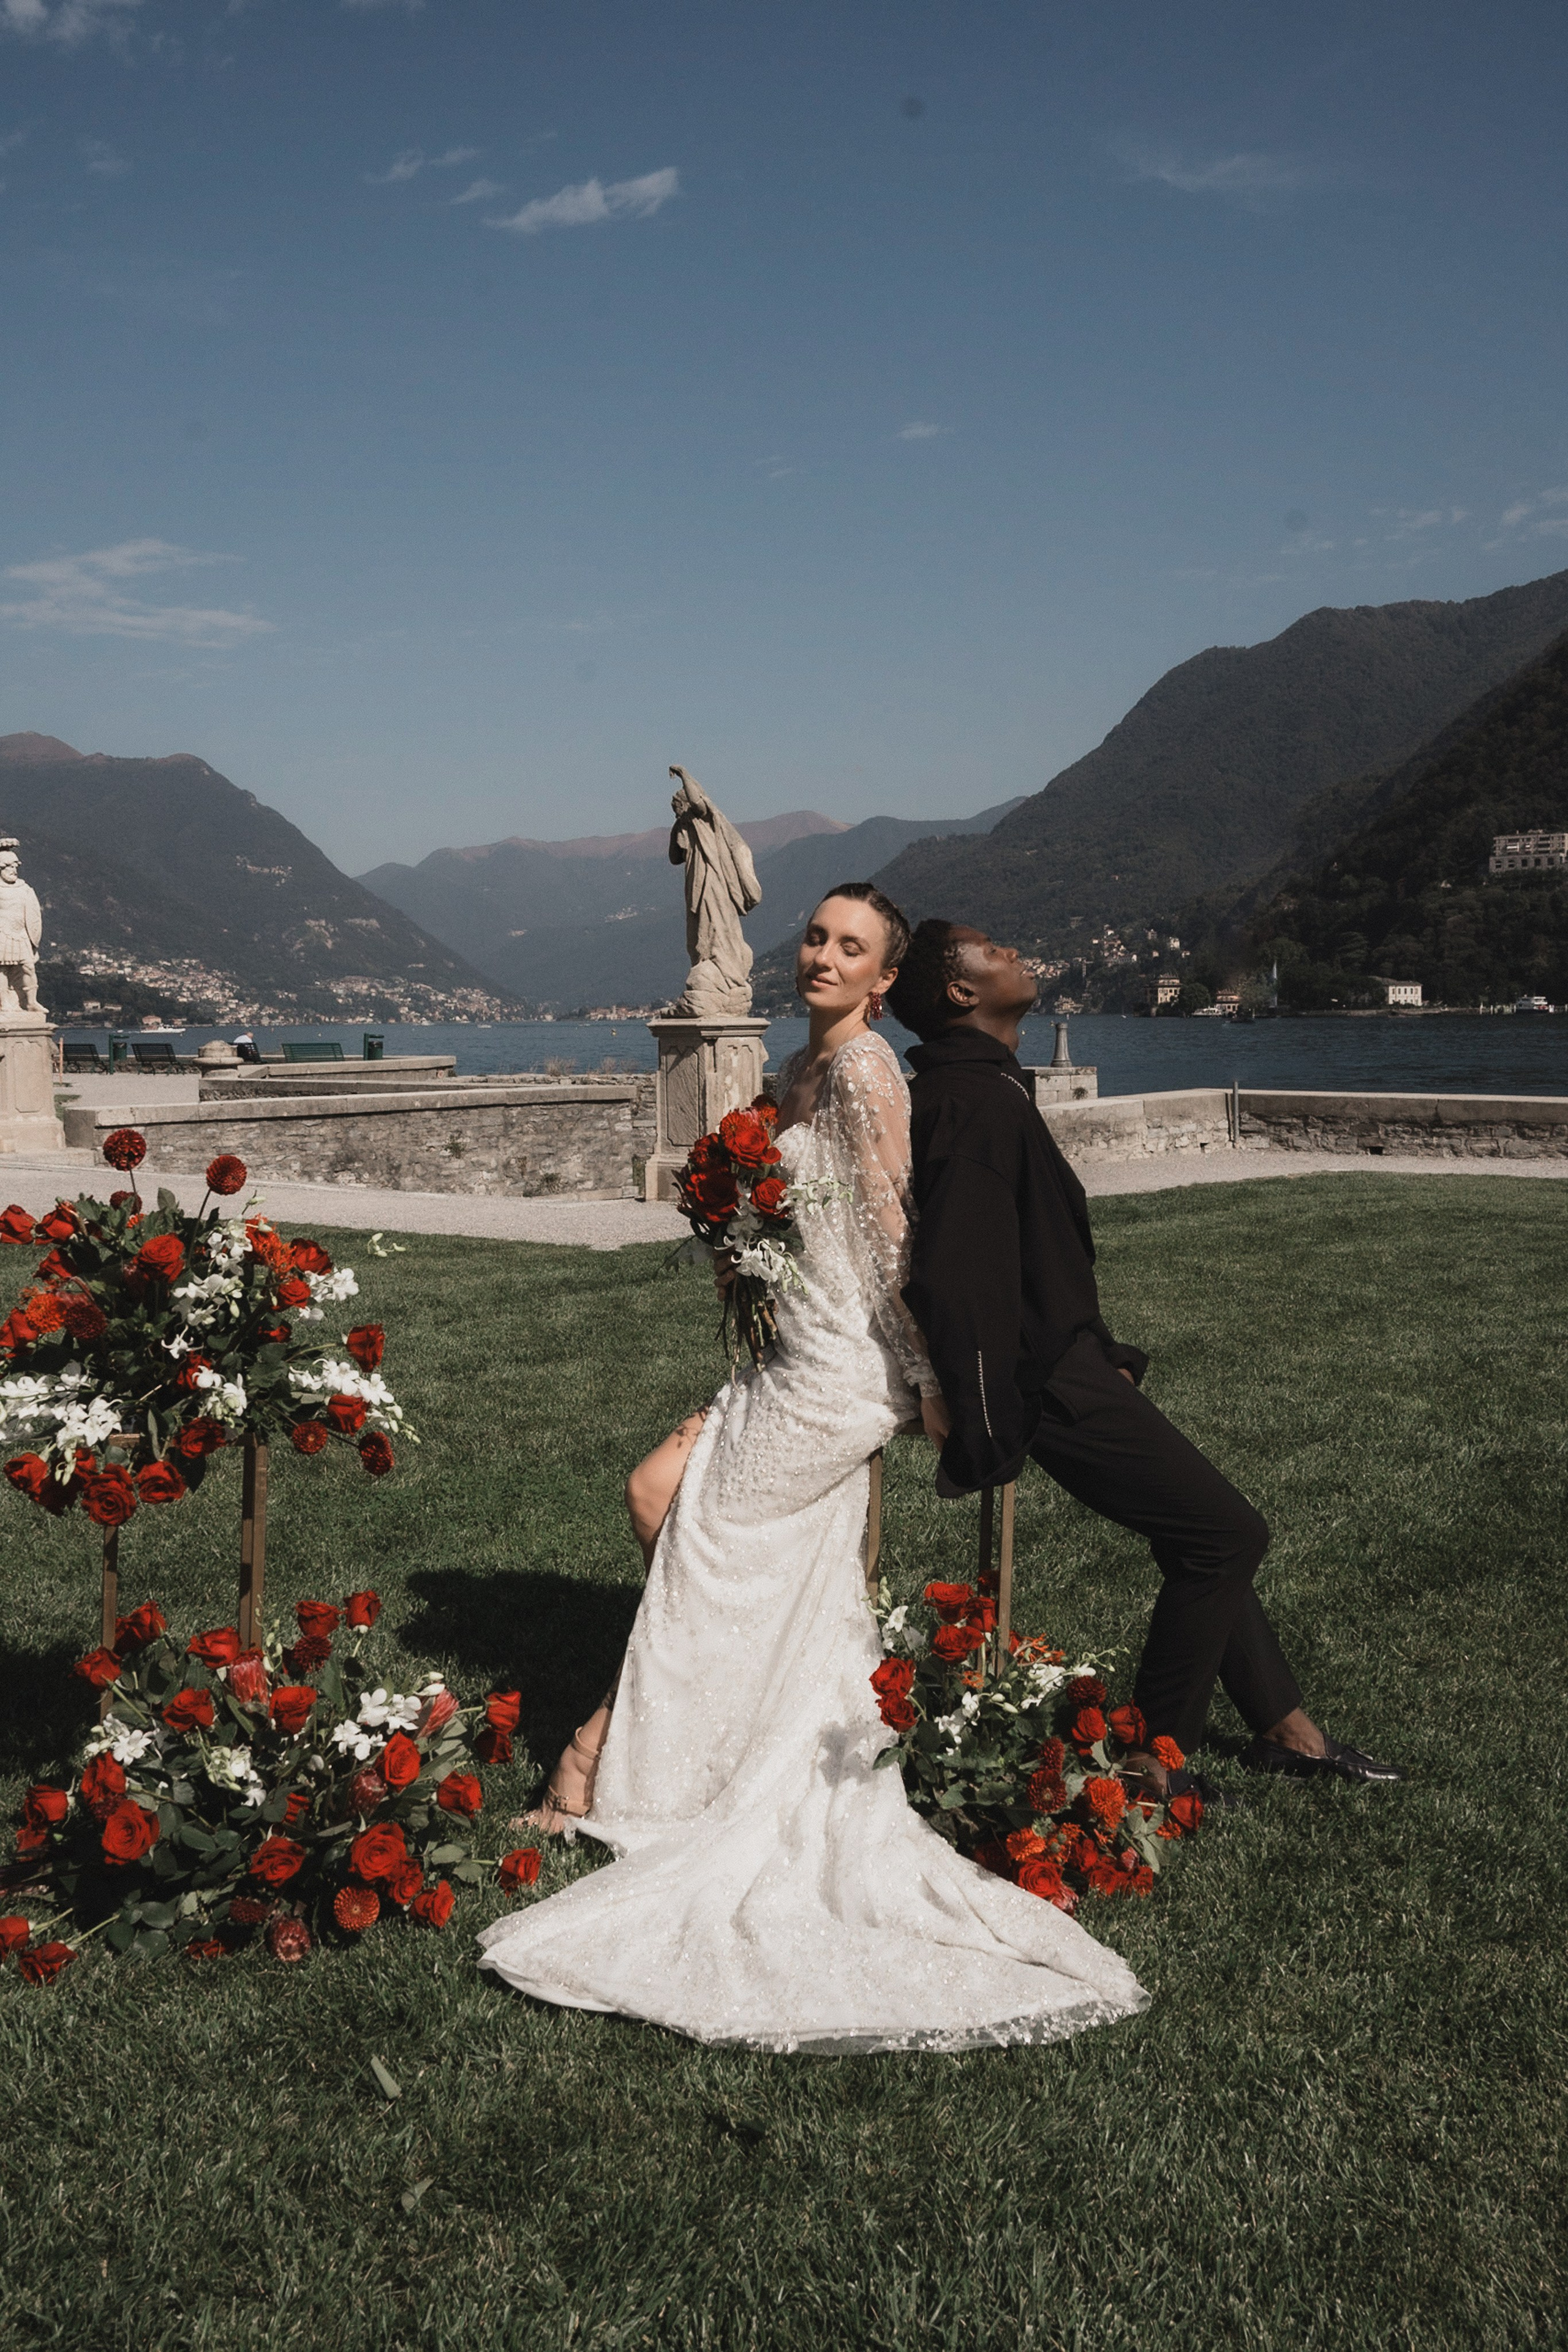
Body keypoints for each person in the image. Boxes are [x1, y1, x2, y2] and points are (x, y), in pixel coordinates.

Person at [477, 886, 1149, 2052]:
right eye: (818, 939)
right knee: (695, 1525)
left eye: (854, 949)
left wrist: (928, 1384)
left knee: (693, 1527)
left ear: (889, 980)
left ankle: (601, 1758)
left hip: (844, 1368)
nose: (824, 958)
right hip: (789, 1346)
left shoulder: (868, 1075)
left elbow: (897, 1239)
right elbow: (795, 1220)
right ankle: (684, 1748)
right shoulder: (797, 1074)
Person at [889, 919, 1404, 1790]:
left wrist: (1099, 1345)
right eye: (989, 948)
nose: (1014, 949)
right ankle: (1153, 1757)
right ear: (960, 992)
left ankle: (1288, 1729)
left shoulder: (990, 1088)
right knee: (1225, 1535)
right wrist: (983, 1413)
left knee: (1196, 1534)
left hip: (1072, 1363)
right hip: (1045, 1380)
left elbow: (1037, 1251)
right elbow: (962, 1279)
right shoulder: (973, 1103)